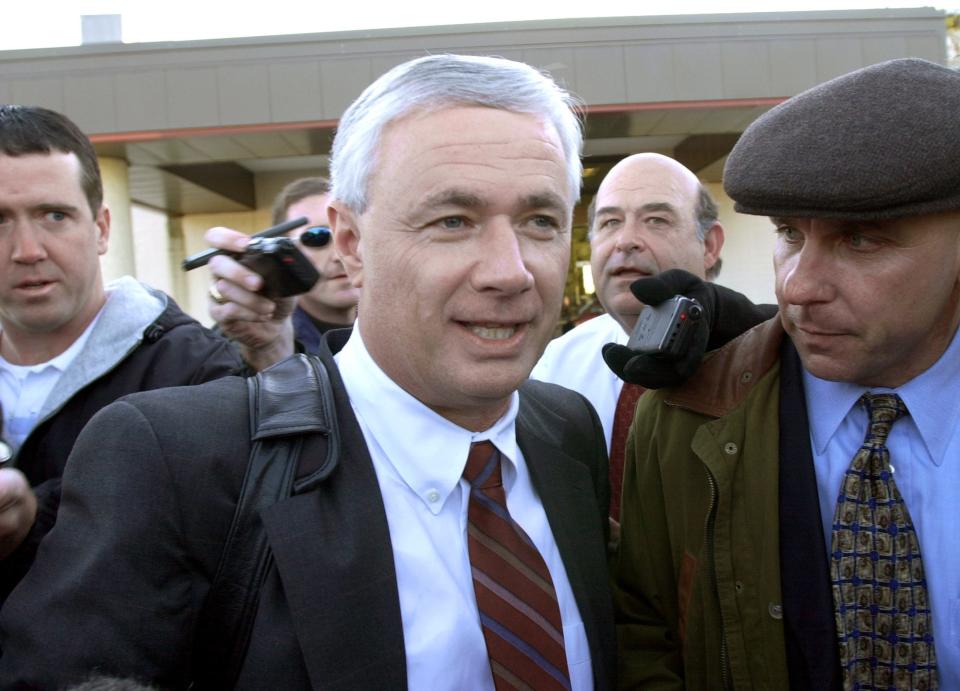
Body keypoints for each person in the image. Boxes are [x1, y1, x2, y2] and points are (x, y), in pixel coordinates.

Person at [0, 54, 616, 689]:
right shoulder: (176, 459)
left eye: (539, 221)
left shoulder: (568, 430)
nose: (509, 270)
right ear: (349, 244)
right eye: (452, 221)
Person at [613, 57, 960, 690]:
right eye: (789, 234)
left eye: (861, 241)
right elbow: (644, 637)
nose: (799, 286)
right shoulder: (680, 418)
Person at [0, 105, 241, 598]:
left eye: (54, 215)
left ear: (102, 228)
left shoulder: (197, 374)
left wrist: (34, 519)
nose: (27, 249)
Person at [531, 153, 724, 521]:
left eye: (656, 220)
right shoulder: (554, 364)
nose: (626, 241)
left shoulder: (764, 362)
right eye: (609, 222)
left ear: (710, 245)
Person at [208, 177, 359, 358]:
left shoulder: (397, 324)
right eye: (316, 237)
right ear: (283, 252)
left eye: (352, 233)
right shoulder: (234, 343)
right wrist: (269, 352)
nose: (339, 255)